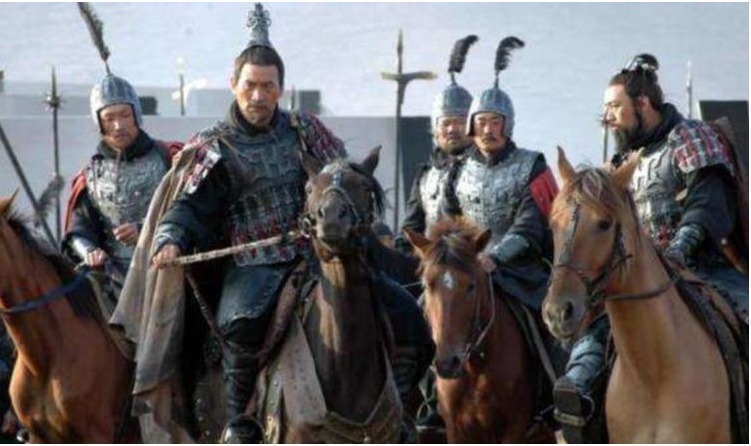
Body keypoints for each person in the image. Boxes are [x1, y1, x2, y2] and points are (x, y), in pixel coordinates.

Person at [150, 4, 432, 443]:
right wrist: (170, 237)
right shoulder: (214, 145)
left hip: (321, 252)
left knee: (406, 311)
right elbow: (189, 206)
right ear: (234, 84)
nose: (258, 96)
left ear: (280, 88)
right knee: (240, 323)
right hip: (254, 263)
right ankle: (239, 423)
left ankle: (400, 406)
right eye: (250, 85)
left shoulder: (305, 130)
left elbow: (341, 176)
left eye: (268, 86)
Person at [553, 53, 749, 443]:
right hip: (636, 277)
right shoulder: (617, 164)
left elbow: (709, 202)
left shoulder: (692, 138)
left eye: (615, 106)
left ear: (642, 103)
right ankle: (578, 405)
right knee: (593, 338)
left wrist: (680, 248)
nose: (607, 116)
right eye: (606, 107)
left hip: (704, 268)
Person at [62, 16, 180, 308]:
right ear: (99, 122)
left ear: (136, 115)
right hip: (109, 278)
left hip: (165, 270)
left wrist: (146, 230)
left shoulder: (169, 158)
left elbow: (186, 212)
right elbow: (78, 229)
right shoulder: (90, 175)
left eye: (124, 115)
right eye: (109, 118)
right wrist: (89, 250)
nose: (118, 125)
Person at [444, 36, 558, 310]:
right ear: (472, 126)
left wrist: (495, 258)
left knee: (550, 323)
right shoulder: (457, 170)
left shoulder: (532, 167)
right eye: (482, 122)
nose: (488, 130)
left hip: (521, 272)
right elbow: (451, 222)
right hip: (468, 267)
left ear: (507, 125)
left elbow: (529, 226)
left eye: (495, 122)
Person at [395, 35, 478, 255]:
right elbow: (411, 228)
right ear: (435, 129)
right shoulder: (425, 176)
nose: (452, 129)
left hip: (481, 262)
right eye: (446, 123)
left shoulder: (488, 166)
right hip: (436, 262)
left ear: (472, 125)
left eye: (459, 122)